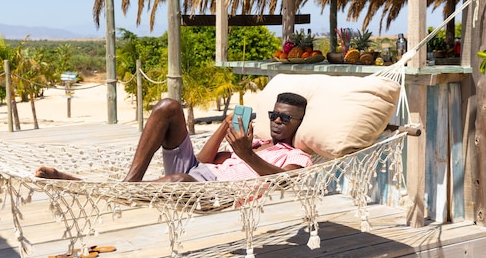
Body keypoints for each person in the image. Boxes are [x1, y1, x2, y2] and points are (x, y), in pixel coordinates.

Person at [35, 92, 312, 182]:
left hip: (216, 192)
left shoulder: (296, 156)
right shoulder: (255, 141)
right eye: (274, 114)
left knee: (178, 181)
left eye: (285, 118)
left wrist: (246, 156)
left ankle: (112, 190)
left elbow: (284, 182)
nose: (276, 121)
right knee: (169, 106)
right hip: (197, 172)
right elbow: (202, 161)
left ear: (298, 123)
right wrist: (224, 126)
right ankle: (129, 184)